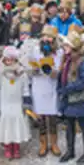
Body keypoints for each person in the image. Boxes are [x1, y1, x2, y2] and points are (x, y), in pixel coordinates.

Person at [0, 46, 31, 159]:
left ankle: (16, 147)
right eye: (7, 59)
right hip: (4, 103)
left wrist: (26, 101)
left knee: (17, 125)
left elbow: (25, 87)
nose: (9, 62)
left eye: (12, 59)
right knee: (6, 125)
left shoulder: (21, 73)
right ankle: (7, 147)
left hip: (17, 103)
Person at [27, 24, 63, 157]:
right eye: (44, 36)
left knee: (52, 116)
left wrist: (53, 71)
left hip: (51, 85)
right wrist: (35, 69)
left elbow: (59, 69)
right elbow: (29, 65)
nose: (46, 39)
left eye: (49, 37)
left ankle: (54, 142)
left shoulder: (59, 51)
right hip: (39, 85)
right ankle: (43, 142)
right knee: (41, 116)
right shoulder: (35, 50)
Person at [58, 30, 84, 163]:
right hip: (68, 97)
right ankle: (70, 150)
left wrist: (66, 89)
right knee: (69, 124)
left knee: (83, 124)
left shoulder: (83, 61)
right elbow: (63, 76)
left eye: (67, 46)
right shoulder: (67, 59)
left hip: (79, 98)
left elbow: (82, 82)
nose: (64, 48)